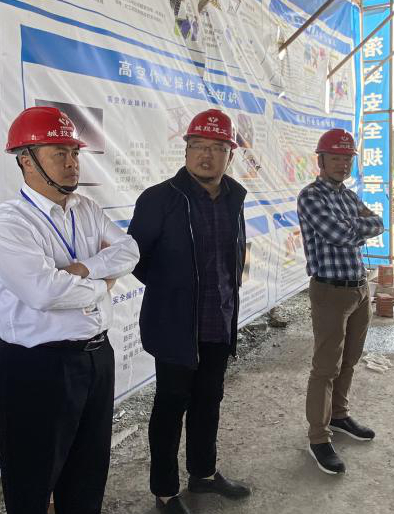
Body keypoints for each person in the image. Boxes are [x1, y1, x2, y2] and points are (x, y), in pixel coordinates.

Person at [0, 106, 138, 514]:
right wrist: (102, 285)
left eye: (74, 152)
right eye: (59, 153)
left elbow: (129, 250)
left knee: (88, 475)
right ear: (26, 160)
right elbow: (44, 292)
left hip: (96, 358)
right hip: (38, 367)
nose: (72, 163)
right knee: (32, 482)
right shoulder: (9, 223)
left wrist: (83, 270)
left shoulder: (86, 209)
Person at [129, 109, 251, 514]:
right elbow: (137, 259)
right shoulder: (158, 199)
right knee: (170, 408)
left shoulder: (234, 197)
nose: (206, 155)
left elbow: (233, 255)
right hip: (176, 325)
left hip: (219, 320)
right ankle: (165, 491)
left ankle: (203, 472)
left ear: (230, 155)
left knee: (209, 401)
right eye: (198, 146)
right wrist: (174, 291)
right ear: (186, 150)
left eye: (217, 148)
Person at [297, 128, 384, 475]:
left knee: (350, 359)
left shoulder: (348, 196)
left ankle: (339, 415)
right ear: (321, 160)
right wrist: (357, 227)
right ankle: (318, 436)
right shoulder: (310, 196)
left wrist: (355, 227)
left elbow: (378, 222)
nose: (342, 164)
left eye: (347, 159)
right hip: (330, 291)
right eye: (335, 157)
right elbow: (338, 234)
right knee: (325, 368)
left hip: (360, 288)